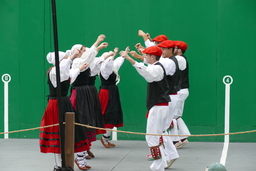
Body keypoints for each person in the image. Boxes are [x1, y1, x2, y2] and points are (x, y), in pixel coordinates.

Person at [121, 46, 170, 171]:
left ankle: (158, 166)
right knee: (157, 135)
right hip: (159, 106)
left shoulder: (157, 68)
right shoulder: (156, 66)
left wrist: (129, 59)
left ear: (153, 57)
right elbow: (146, 69)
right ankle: (162, 162)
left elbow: (147, 74)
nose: (145, 57)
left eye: (146, 55)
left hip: (158, 106)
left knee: (152, 137)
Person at [40, 50, 91, 170]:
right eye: (65, 59)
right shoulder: (54, 72)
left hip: (63, 102)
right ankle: (59, 165)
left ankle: (65, 163)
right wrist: (71, 57)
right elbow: (62, 69)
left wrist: (79, 67)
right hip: (56, 104)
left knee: (68, 133)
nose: (67, 61)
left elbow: (71, 73)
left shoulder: (62, 72)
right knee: (59, 135)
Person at [69, 34, 108, 170]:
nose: (84, 52)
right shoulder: (76, 63)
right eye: (81, 50)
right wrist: (97, 43)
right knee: (82, 122)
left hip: (85, 94)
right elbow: (89, 57)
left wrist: (98, 48)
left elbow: (91, 58)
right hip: (80, 95)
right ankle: (80, 155)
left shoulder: (82, 62)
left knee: (87, 121)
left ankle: (83, 151)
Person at [98, 48, 124, 148]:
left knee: (113, 114)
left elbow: (116, 63)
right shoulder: (104, 69)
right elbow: (108, 64)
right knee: (109, 113)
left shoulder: (112, 67)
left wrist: (122, 55)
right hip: (107, 93)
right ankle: (104, 138)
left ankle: (106, 138)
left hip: (112, 92)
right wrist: (111, 55)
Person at [170, 40, 191, 148]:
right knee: (176, 116)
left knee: (173, 116)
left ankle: (176, 140)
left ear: (179, 50)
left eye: (175, 48)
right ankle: (182, 138)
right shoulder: (178, 58)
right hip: (180, 91)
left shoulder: (180, 59)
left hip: (180, 91)